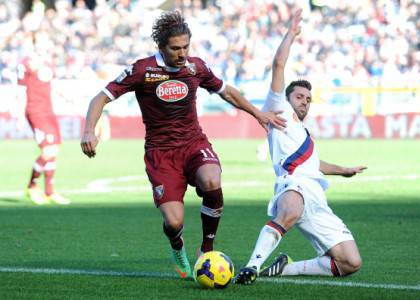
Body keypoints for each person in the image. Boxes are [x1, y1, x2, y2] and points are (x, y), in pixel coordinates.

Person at [80, 11, 285, 279]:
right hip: (161, 154)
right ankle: (177, 246)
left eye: (186, 47)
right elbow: (100, 98)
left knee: (212, 181)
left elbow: (227, 92)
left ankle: (206, 250)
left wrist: (257, 113)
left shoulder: (196, 67)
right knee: (174, 221)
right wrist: (88, 131)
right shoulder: (142, 70)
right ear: (161, 47)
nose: (182, 53)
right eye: (175, 48)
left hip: (193, 143)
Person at [235, 9, 366, 284]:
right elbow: (278, 65)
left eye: (308, 98)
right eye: (300, 96)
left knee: (350, 262)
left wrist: (343, 171)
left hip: (317, 198)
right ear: (287, 97)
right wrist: (291, 34)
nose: (305, 101)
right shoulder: (278, 108)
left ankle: (285, 268)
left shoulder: (305, 132)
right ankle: (252, 267)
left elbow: (315, 165)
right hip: (293, 184)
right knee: (291, 211)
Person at [17, 32, 70, 205]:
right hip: (35, 111)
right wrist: (19, 116)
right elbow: (20, 91)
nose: (44, 43)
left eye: (46, 40)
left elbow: (52, 86)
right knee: (48, 151)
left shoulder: (48, 63)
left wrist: (66, 97)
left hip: (49, 111)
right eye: (40, 41)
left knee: (54, 149)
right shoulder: (26, 64)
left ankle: (49, 192)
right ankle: (31, 186)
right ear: (34, 43)